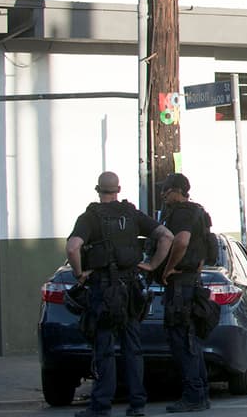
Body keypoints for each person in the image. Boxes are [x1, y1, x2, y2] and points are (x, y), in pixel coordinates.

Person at [65, 171, 172, 417]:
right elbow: (167, 236)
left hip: (103, 291)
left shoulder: (90, 217)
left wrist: (79, 273)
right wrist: (152, 265)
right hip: (130, 289)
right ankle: (137, 404)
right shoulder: (132, 214)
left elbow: (72, 247)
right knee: (132, 348)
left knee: (104, 348)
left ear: (97, 190)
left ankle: (101, 406)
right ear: (119, 190)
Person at [157, 173, 213, 413]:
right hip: (192, 283)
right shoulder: (199, 213)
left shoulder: (182, 213)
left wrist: (168, 268)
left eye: (166, 190)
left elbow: (181, 241)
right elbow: (204, 250)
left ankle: (193, 395)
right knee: (191, 342)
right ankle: (200, 393)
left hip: (180, 285)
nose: (163, 195)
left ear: (177, 190)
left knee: (182, 341)